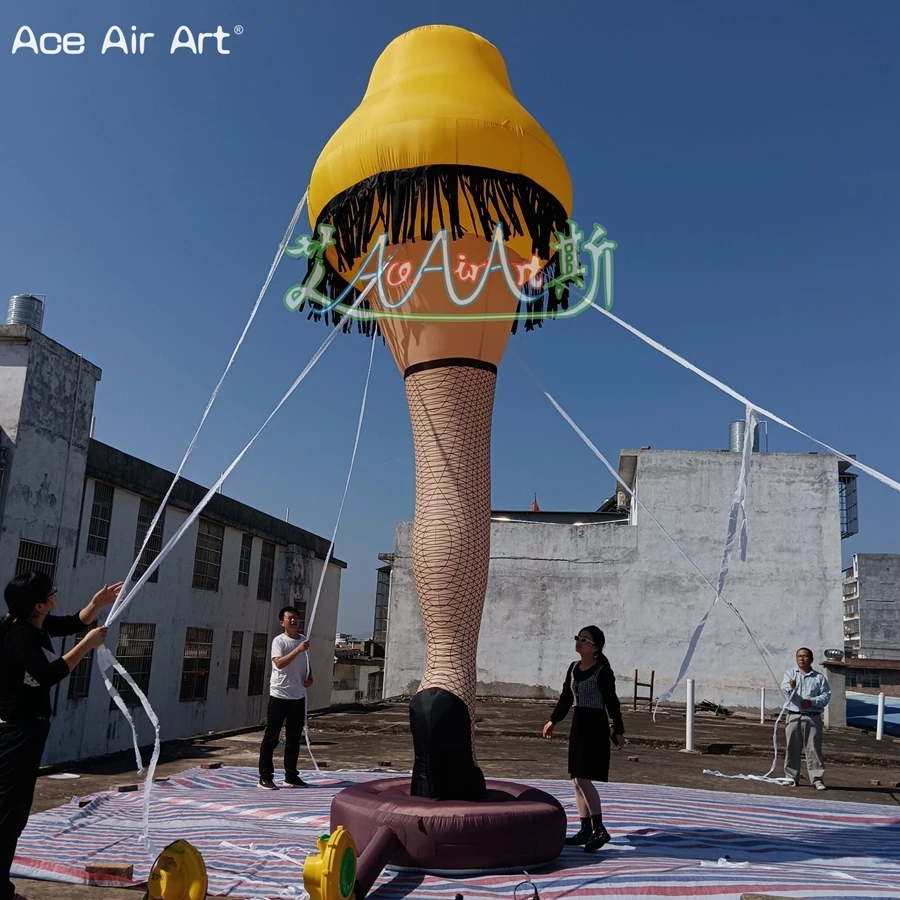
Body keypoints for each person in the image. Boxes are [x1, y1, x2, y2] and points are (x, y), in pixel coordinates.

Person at [1, 572, 121, 900]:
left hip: (28, 729)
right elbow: (48, 674)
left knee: (15, 812)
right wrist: (88, 644)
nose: (56, 594)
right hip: (16, 733)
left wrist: (95, 605)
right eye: (51, 592)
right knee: (8, 814)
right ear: (39, 605)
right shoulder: (19, 636)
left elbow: (69, 623)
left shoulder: (31, 622)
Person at [542, 626, 624, 853]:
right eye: (578, 638)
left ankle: (600, 828)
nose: (579, 642)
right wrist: (553, 720)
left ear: (595, 647)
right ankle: (585, 828)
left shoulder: (603, 671)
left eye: (585, 640)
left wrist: (618, 730)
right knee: (576, 779)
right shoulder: (573, 668)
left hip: (595, 726)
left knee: (584, 778)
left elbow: (612, 702)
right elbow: (566, 698)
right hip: (579, 725)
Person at [257, 606, 314, 791]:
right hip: (280, 695)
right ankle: (265, 777)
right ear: (282, 622)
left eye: (296, 617)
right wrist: (297, 650)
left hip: (298, 696)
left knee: (293, 738)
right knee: (271, 737)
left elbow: (306, 664)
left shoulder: (303, 639)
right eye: (289, 618)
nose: (293, 620)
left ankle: (291, 775)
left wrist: (309, 677)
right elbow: (280, 664)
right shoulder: (279, 641)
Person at [781, 646, 831, 790]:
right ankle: (791, 777)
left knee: (813, 748)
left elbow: (826, 696)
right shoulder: (791, 674)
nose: (802, 659)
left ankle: (817, 779)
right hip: (794, 715)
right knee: (792, 747)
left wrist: (811, 701)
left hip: (812, 717)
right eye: (799, 656)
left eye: (805, 656)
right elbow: (784, 688)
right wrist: (791, 687)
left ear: (811, 659)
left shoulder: (819, 677)